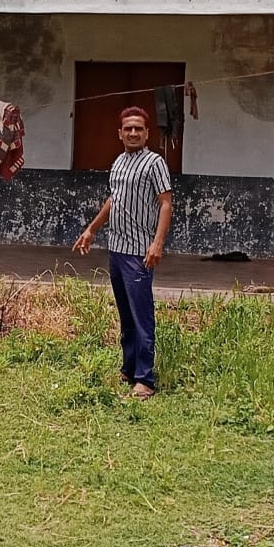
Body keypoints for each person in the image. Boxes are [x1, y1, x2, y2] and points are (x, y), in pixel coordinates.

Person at [73, 106, 173, 399]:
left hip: (139, 253)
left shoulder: (154, 163)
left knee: (142, 316)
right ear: (120, 133)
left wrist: (157, 243)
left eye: (138, 129)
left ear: (146, 133)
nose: (132, 133)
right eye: (128, 128)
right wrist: (92, 229)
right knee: (126, 315)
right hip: (116, 250)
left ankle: (145, 379)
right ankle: (129, 368)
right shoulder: (118, 163)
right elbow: (113, 201)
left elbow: (166, 203)